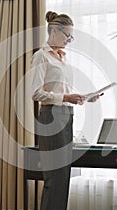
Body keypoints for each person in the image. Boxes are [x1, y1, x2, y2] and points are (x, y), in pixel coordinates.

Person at [31, 11, 99, 210]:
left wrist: (84, 97)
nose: (70, 40)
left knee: (63, 177)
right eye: (67, 35)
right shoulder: (41, 57)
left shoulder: (62, 59)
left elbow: (63, 91)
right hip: (50, 116)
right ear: (53, 31)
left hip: (66, 115)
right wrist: (65, 98)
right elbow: (36, 93)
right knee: (54, 178)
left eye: (71, 36)